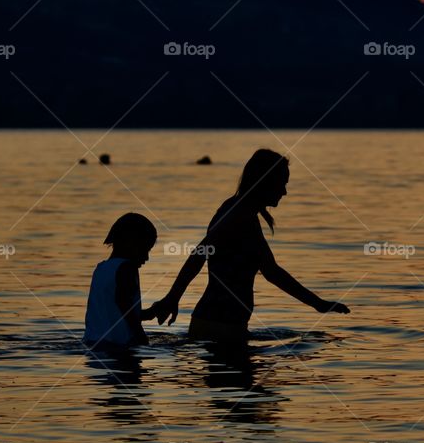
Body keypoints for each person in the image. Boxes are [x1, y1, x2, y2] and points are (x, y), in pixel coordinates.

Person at [155, 149, 350, 343]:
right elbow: (200, 252)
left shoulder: (244, 215)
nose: (284, 191)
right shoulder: (238, 215)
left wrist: (319, 304)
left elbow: (271, 271)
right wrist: (172, 298)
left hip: (224, 326)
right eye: (282, 184)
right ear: (266, 182)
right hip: (219, 327)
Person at [84, 212, 171, 349]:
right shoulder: (126, 268)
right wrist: (142, 338)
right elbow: (124, 306)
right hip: (120, 348)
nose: (146, 257)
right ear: (129, 242)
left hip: (93, 346)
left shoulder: (101, 269)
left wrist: (149, 313)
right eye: (144, 249)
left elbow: (114, 311)